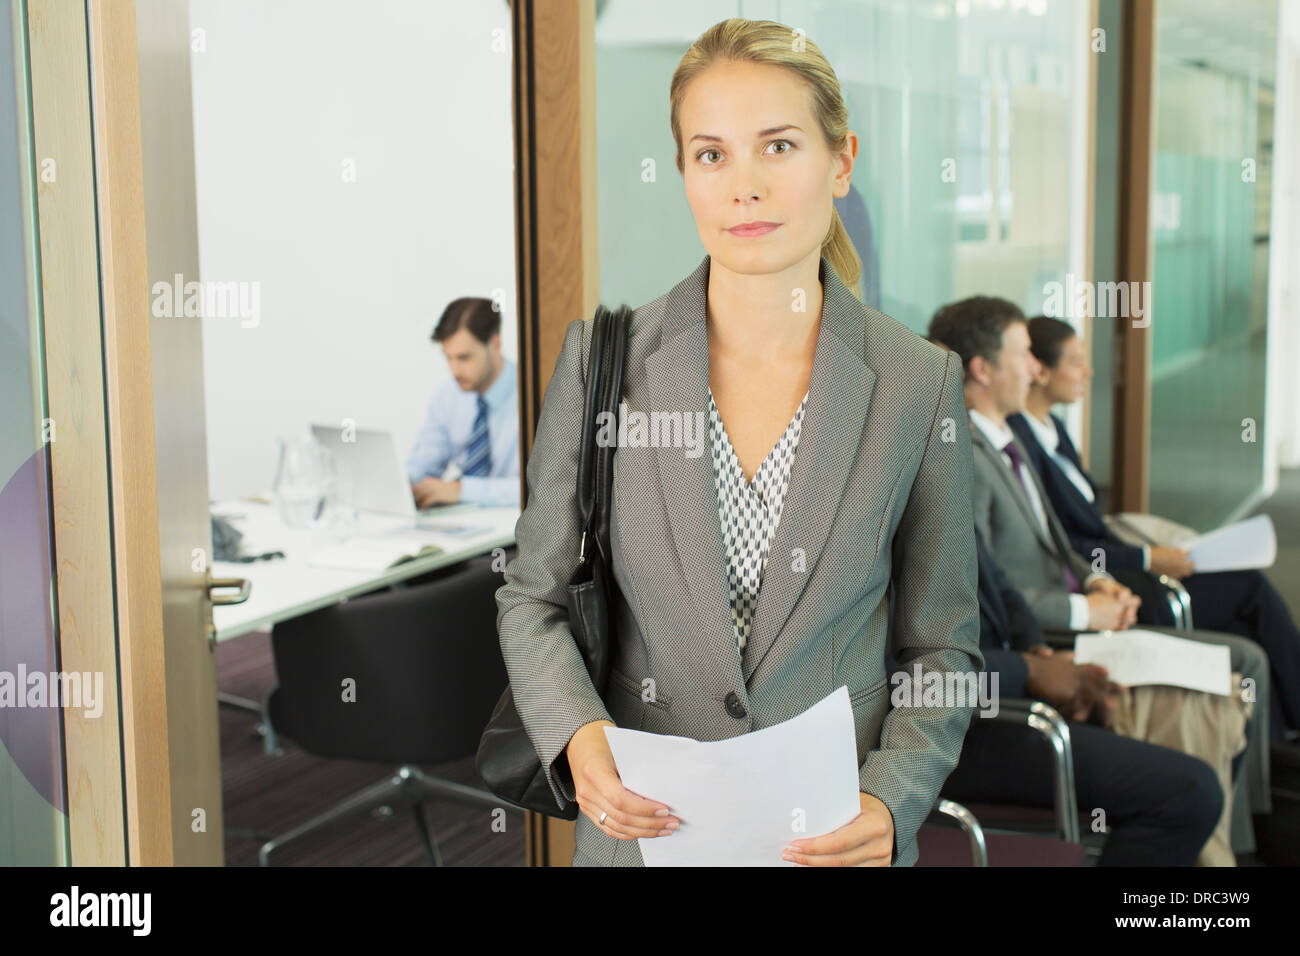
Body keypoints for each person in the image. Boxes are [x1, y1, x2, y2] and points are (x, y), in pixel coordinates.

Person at [495, 17, 983, 867]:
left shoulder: (919, 382)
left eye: (780, 147)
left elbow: (941, 641)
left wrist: (895, 792)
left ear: (841, 162)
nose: (743, 187)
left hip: (831, 839)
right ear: (683, 171)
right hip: (645, 838)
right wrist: (577, 734)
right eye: (712, 154)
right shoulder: (604, 362)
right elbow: (530, 597)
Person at [928, 297, 1274, 855]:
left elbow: (1004, 576)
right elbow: (934, 638)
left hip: (1024, 660)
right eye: (1026, 356)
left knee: (1223, 684)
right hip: (978, 712)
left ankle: (1233, 846)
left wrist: (1086, 590)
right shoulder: (948, 460)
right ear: (982, 370)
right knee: (1191, 771)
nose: (1037, 369)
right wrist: (1040, 660)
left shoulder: (1009, 439)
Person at [1009, 314, 1300, 743]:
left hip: (1112, 571)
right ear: (1041, 370)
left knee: (1243, 626)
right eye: (1076, 361)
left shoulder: (1053, 431)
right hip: (1115, 581)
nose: (1088, 371)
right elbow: (1064, 543)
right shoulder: (1019, 444)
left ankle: (1271, 741)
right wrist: (1145, 559)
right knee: (1249, 595)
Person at [943, 528, 1225, 865]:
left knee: (1197, 705)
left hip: (1011, 693)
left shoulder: (943, 488)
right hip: (952, 732)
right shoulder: (876, 516)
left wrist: (1039, 652)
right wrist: (1027, 670)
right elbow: (903, 683)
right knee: (1190, 793)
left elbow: (1001, 588)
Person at [406, 297, 520, 508]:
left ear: (495, 344)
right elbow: (423, 464)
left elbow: (539, 490)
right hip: (464, 524)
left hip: (516, 529)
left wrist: (461, 490)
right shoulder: (448, 396)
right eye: (448, 358)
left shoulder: (533, 395)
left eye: (464, 357)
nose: (454, 370)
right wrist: (405, 486)